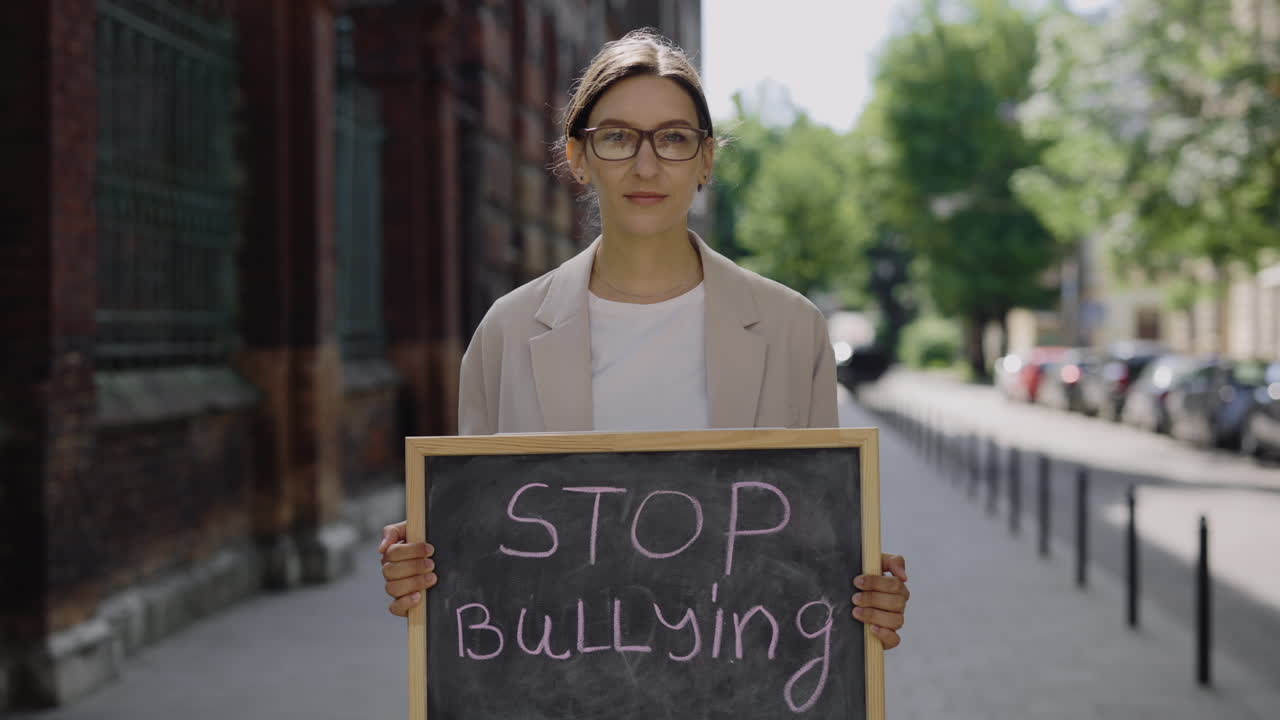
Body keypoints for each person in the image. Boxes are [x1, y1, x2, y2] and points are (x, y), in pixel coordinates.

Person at [377, 29, 910, 650]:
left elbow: (819, 545)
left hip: (741, 683)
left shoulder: (791, 329)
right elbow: (479, 550)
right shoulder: (508, 333)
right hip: (557, 685)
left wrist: (870, 598)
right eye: (618, 137)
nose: (647, 165)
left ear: (707, 158)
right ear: (578, 156)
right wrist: (423, 567)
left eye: (675, 138)